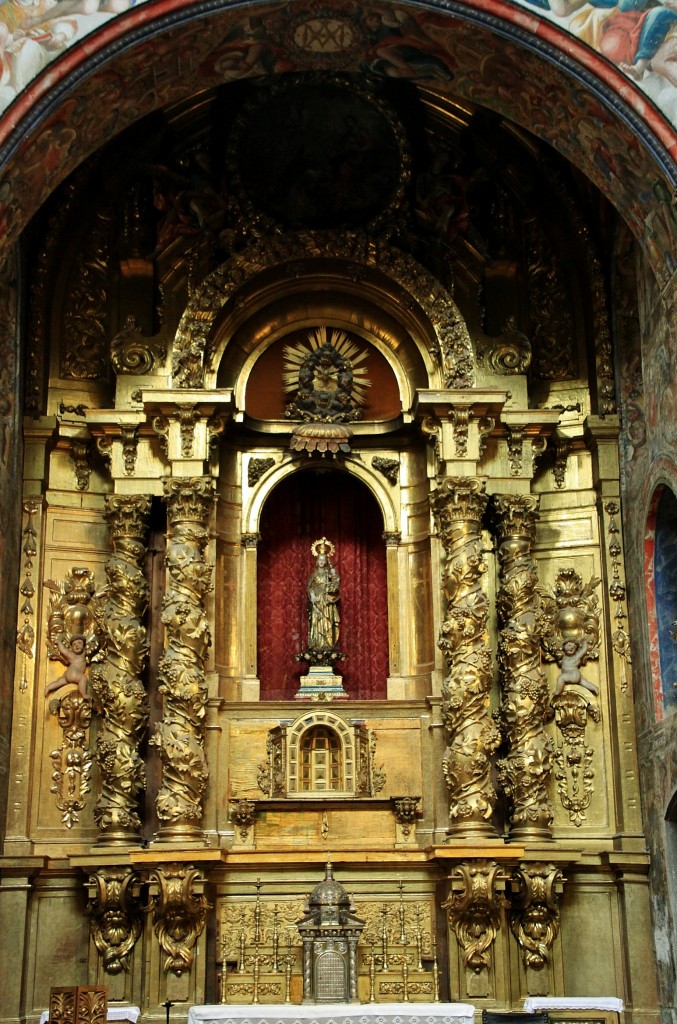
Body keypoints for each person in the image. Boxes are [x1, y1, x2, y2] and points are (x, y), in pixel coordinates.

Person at [307, 539, 341, 652]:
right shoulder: (314, 574)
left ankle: (327, 645)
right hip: (317, 603)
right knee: (317, 625)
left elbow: (336, 584)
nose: (321, 561)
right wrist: (312, 594)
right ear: (317, 560)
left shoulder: (328, 573)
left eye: (323, 559)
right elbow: (309, 587)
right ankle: (317, 645)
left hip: (326, 603)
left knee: (327, 623)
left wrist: (334, 575)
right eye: (320, 559)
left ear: (326, 560)